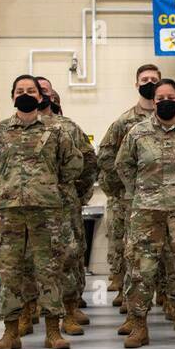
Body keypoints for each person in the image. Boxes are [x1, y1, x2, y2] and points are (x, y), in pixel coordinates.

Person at [0, 76, 83, 349]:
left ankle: (53, 331)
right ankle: (11, 332)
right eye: (20, 91)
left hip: (47, 211)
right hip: (10, 211)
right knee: (10, 271)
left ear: (40, 97)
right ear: (12, 97)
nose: (25, 94)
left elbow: (74, 164)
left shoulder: (56, 131)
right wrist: (6, 180)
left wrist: (48, 184)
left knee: (50, 269)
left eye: (30, 91)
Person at [115, 79, 175, 347]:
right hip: (146, 212)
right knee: (140, 269)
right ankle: (138, 326)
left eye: (170, 96)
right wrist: (142, 193)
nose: (164, 101)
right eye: (160, 97)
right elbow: (123, 166)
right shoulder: (137, 133)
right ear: (154, 102)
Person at [36, 78, 98, 334]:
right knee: (27, 259)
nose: (38, 95)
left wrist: (78, 195)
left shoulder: (68, 128)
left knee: (70, 257)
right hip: (26, 207)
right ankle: (28, 310)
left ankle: (69, 310)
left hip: (63, 205)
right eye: (33, 91)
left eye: (44, 91)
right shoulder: (9, 129)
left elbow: (89, 162)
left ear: (52, 96)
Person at [98, 65, 163, 304]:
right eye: (144, 79)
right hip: (132, 198)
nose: (149, 82)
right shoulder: (124, 122)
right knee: (131, 249)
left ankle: (166, 298)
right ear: (136, 85)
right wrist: (123, 187)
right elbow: (105, 156)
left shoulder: (170, 117)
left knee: (164, 249)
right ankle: (130, 297)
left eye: (154, 79)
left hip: (165, 199)